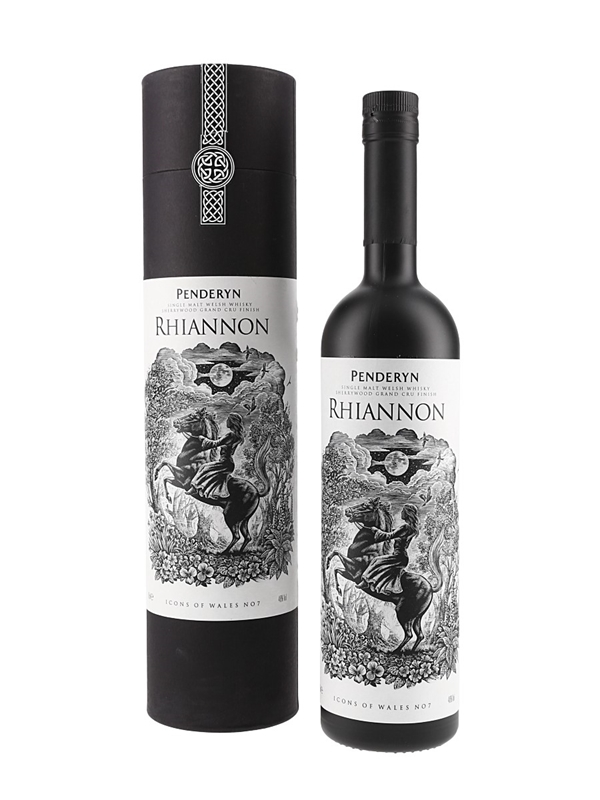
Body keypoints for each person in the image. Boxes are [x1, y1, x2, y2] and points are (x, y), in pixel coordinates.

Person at [357, 504, 419, 596]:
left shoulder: (405, 527)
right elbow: (395, 533)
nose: (401, 512)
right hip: (402, 557)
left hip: (398, 557)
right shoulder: (411, 529)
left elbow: (389, 536)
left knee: (376, 561)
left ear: (407, 513)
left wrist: (375, 530)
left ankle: (366, 581)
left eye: (403, 511)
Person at [187, 412, 244, 499]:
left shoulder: (230, 435)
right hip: (228, 463)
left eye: (228, 420)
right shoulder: (237, 436)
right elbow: (223, 442)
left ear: (232, 422)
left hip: (224, 463)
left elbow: (215, 444)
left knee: (204, 467)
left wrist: (202, 439)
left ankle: (195, 487)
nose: (226, 421)